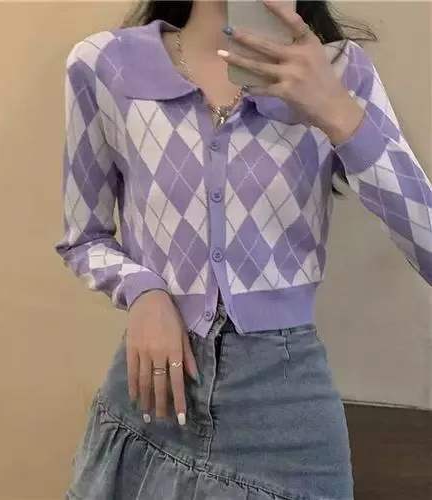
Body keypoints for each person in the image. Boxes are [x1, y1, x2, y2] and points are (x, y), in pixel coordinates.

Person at [54, 1, 432, 498]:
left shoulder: (340, 71)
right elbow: (84, 237)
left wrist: (339, 114)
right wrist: (143, 291)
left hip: (286, 422)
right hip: (151, 402)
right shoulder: (105, 65)